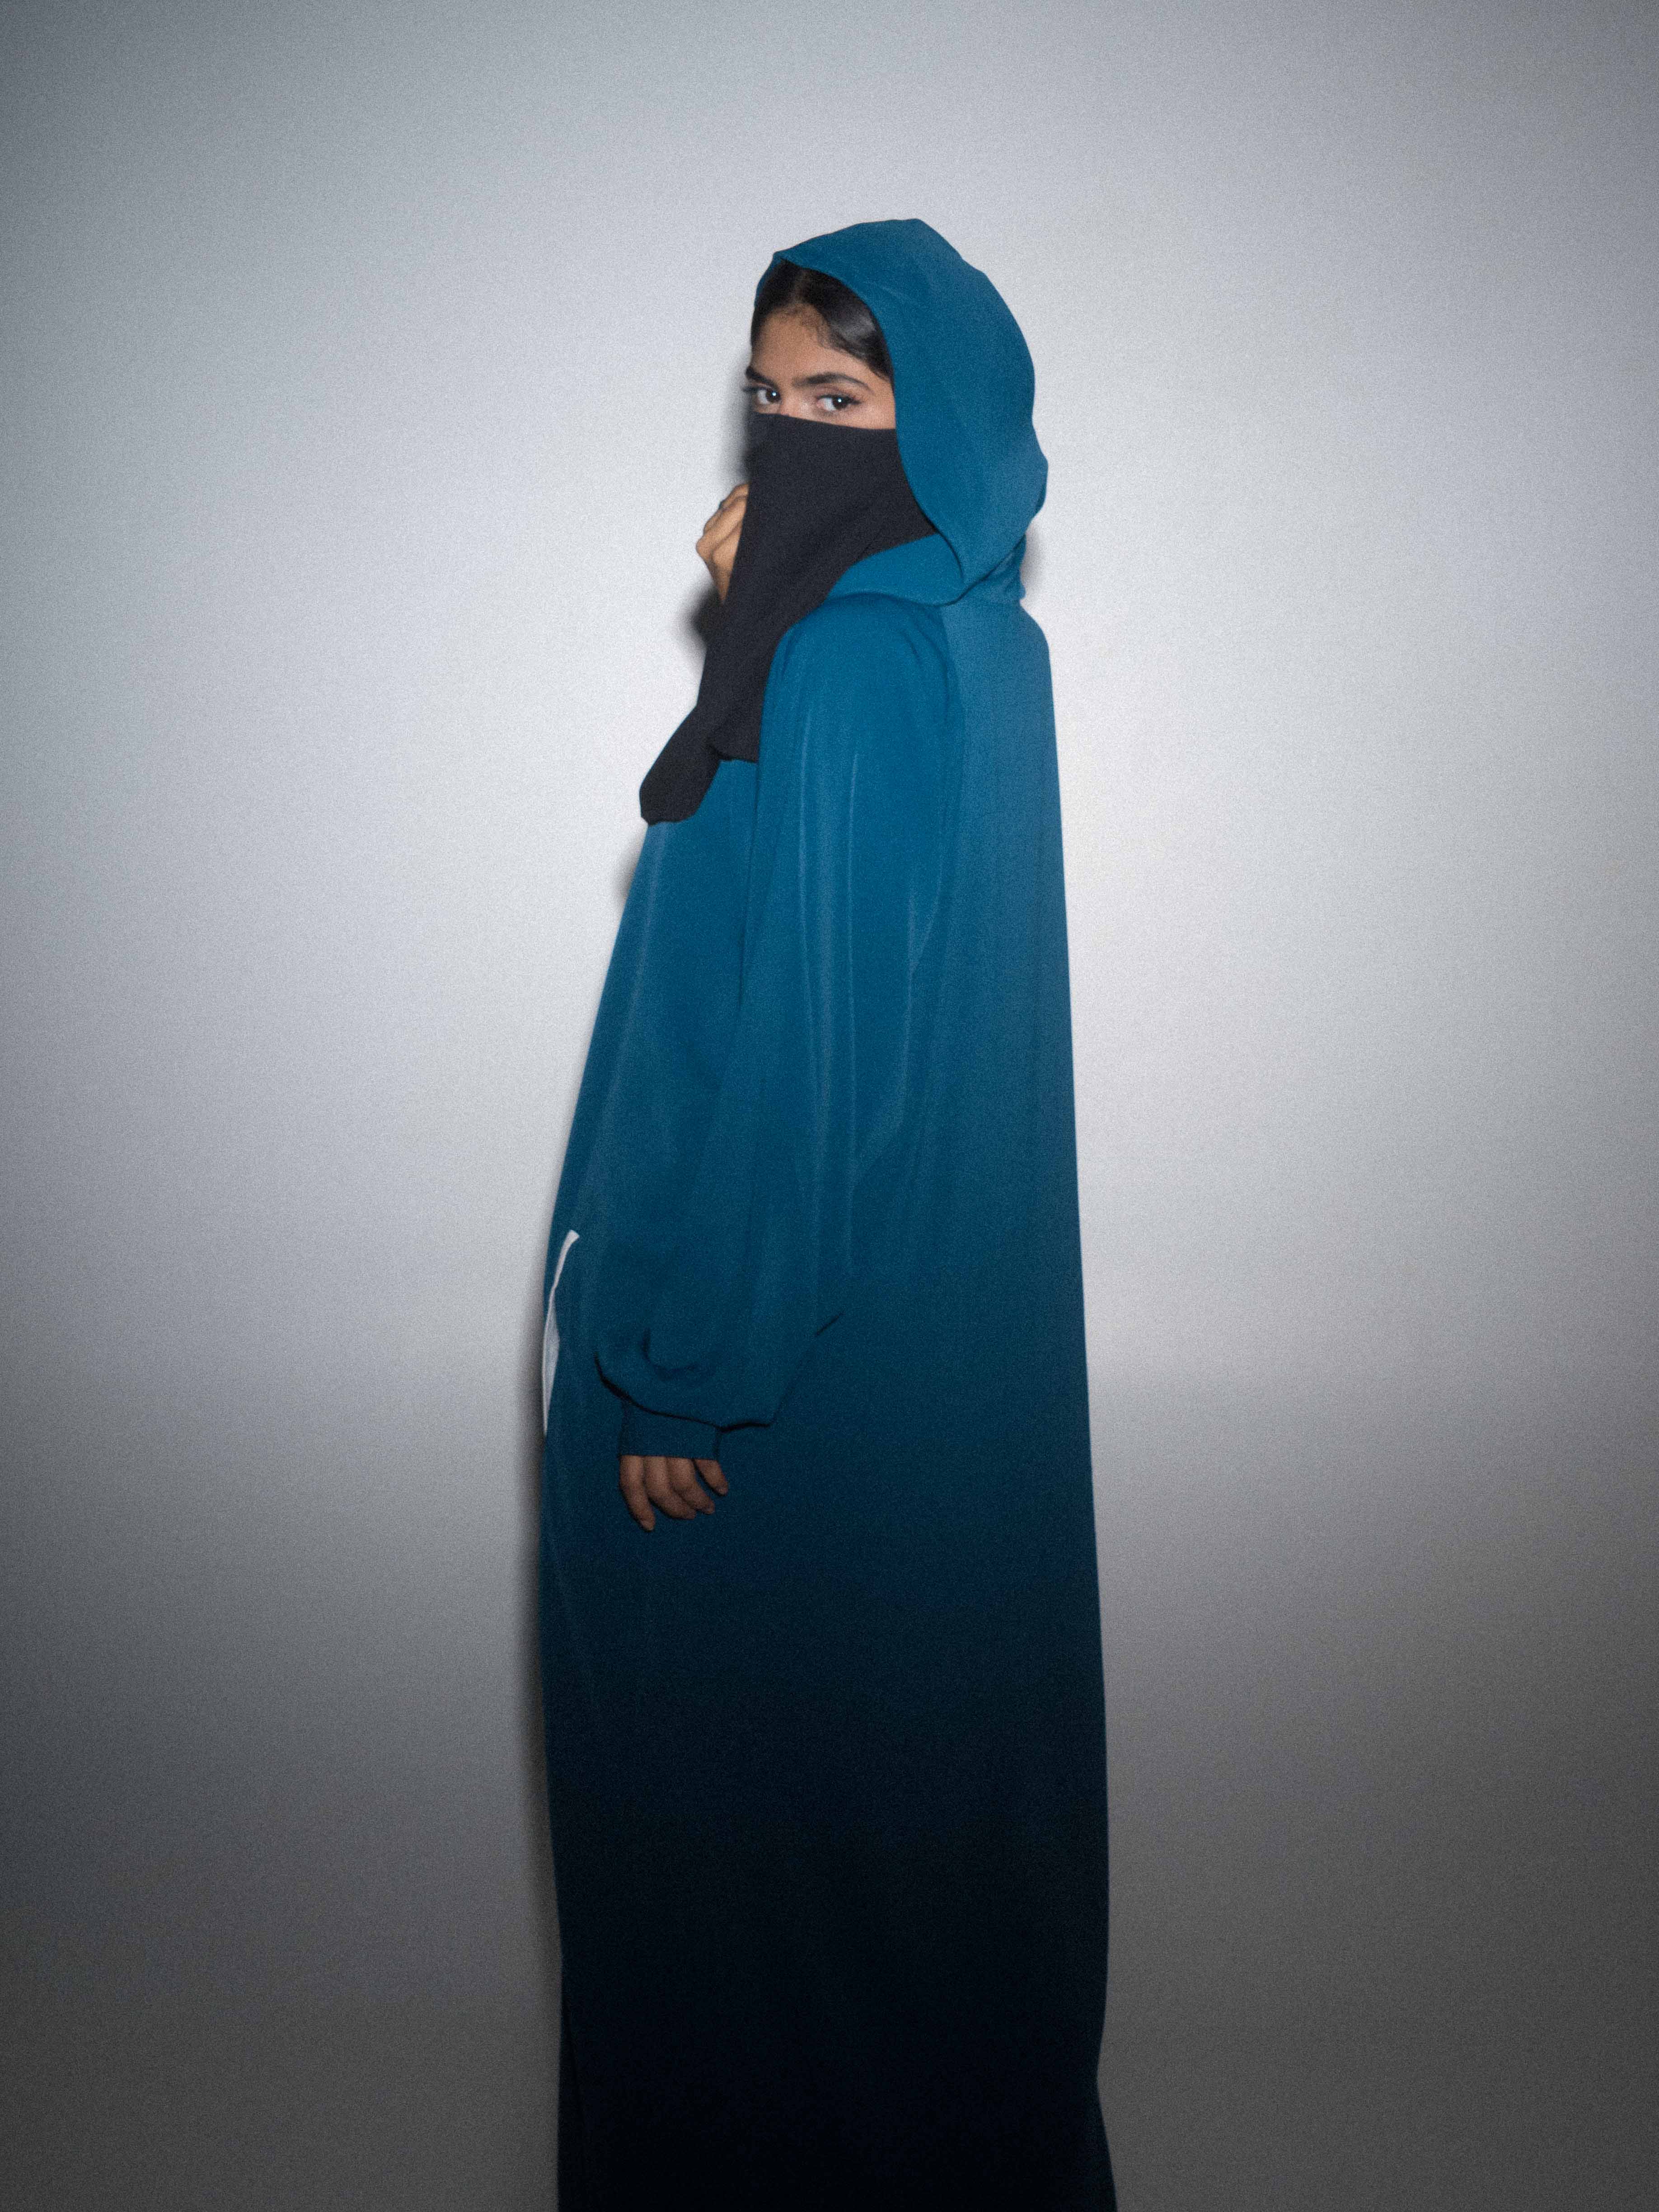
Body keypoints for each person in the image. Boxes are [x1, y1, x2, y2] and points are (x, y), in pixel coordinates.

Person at [538, 218, 1114, 2209]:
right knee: (893, 1856)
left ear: (939, 421)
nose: (790, 438)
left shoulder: (853, 663)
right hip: (915, 1373)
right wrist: (757, 632)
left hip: (754, 1383)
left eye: (843, 402)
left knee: (728, 1865)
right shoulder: (979, 645)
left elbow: (813, 1057)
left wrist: (685, 1373)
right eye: (769, 398)